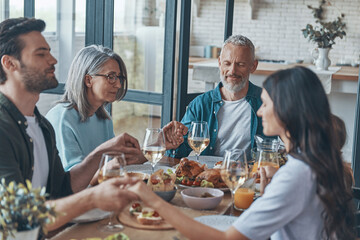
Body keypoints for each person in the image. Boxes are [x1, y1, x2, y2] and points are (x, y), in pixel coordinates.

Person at [128, 66, 355, 239]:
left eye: (265, 105)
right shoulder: (317, 162)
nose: (259, 111)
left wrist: (154, 201)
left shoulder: (296, 174)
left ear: (286, 111)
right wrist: (269, 195)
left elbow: (228, 238)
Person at [0, 17, 141, 231]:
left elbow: (63, 189)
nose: (53, 59)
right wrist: (92, 197)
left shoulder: (41, 126)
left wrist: (100, 153)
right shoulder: (3, 128)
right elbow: (17, 216)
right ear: (9, 63)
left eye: (49, 51)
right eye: (41, 53)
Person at [45, 45, 185, 171]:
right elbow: (73, 182)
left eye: (119, 78)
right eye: (111, 77)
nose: (118, 85)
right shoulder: (62, 118)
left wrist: (159, 144)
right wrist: (113, 166)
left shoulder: (103, 118)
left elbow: (118, 163)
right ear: (88, 80)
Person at [170, 34, 264, 159]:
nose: (232, 71)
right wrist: (172, 142)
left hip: (248, 176)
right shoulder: (200, 104)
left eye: (240, 64)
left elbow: (281, 148)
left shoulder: (266, 103)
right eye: (227, 63)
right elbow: (177, 153)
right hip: (209, 176)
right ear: (220, 63)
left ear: (253, 66)